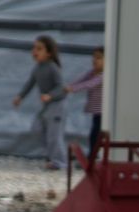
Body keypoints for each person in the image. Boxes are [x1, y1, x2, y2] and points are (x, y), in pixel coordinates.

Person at [13, 35, 68, 170]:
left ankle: (60, 162)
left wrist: (50, 95)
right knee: (37, 128)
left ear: (49, 53)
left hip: (57, 105)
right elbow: (30, 84)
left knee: (54, 135)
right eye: (34, 48)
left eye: (39, 48)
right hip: (47, 106)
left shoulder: (53, 67)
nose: (35, 51)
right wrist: (20, 96)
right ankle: (52, 156)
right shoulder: (37, 68)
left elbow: (62, 88)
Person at [66, 46, 105, 162]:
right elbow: (82, 79)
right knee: (94, 134)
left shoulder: (104, 75)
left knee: (96, 135)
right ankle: (93, 155)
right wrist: (71, 86)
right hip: (96, 112)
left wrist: (74, 88)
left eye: (99, 58)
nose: (94, 60)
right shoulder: (93, 72)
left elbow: (90, 84)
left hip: (102, 112)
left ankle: (93, 156)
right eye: (93, 57)